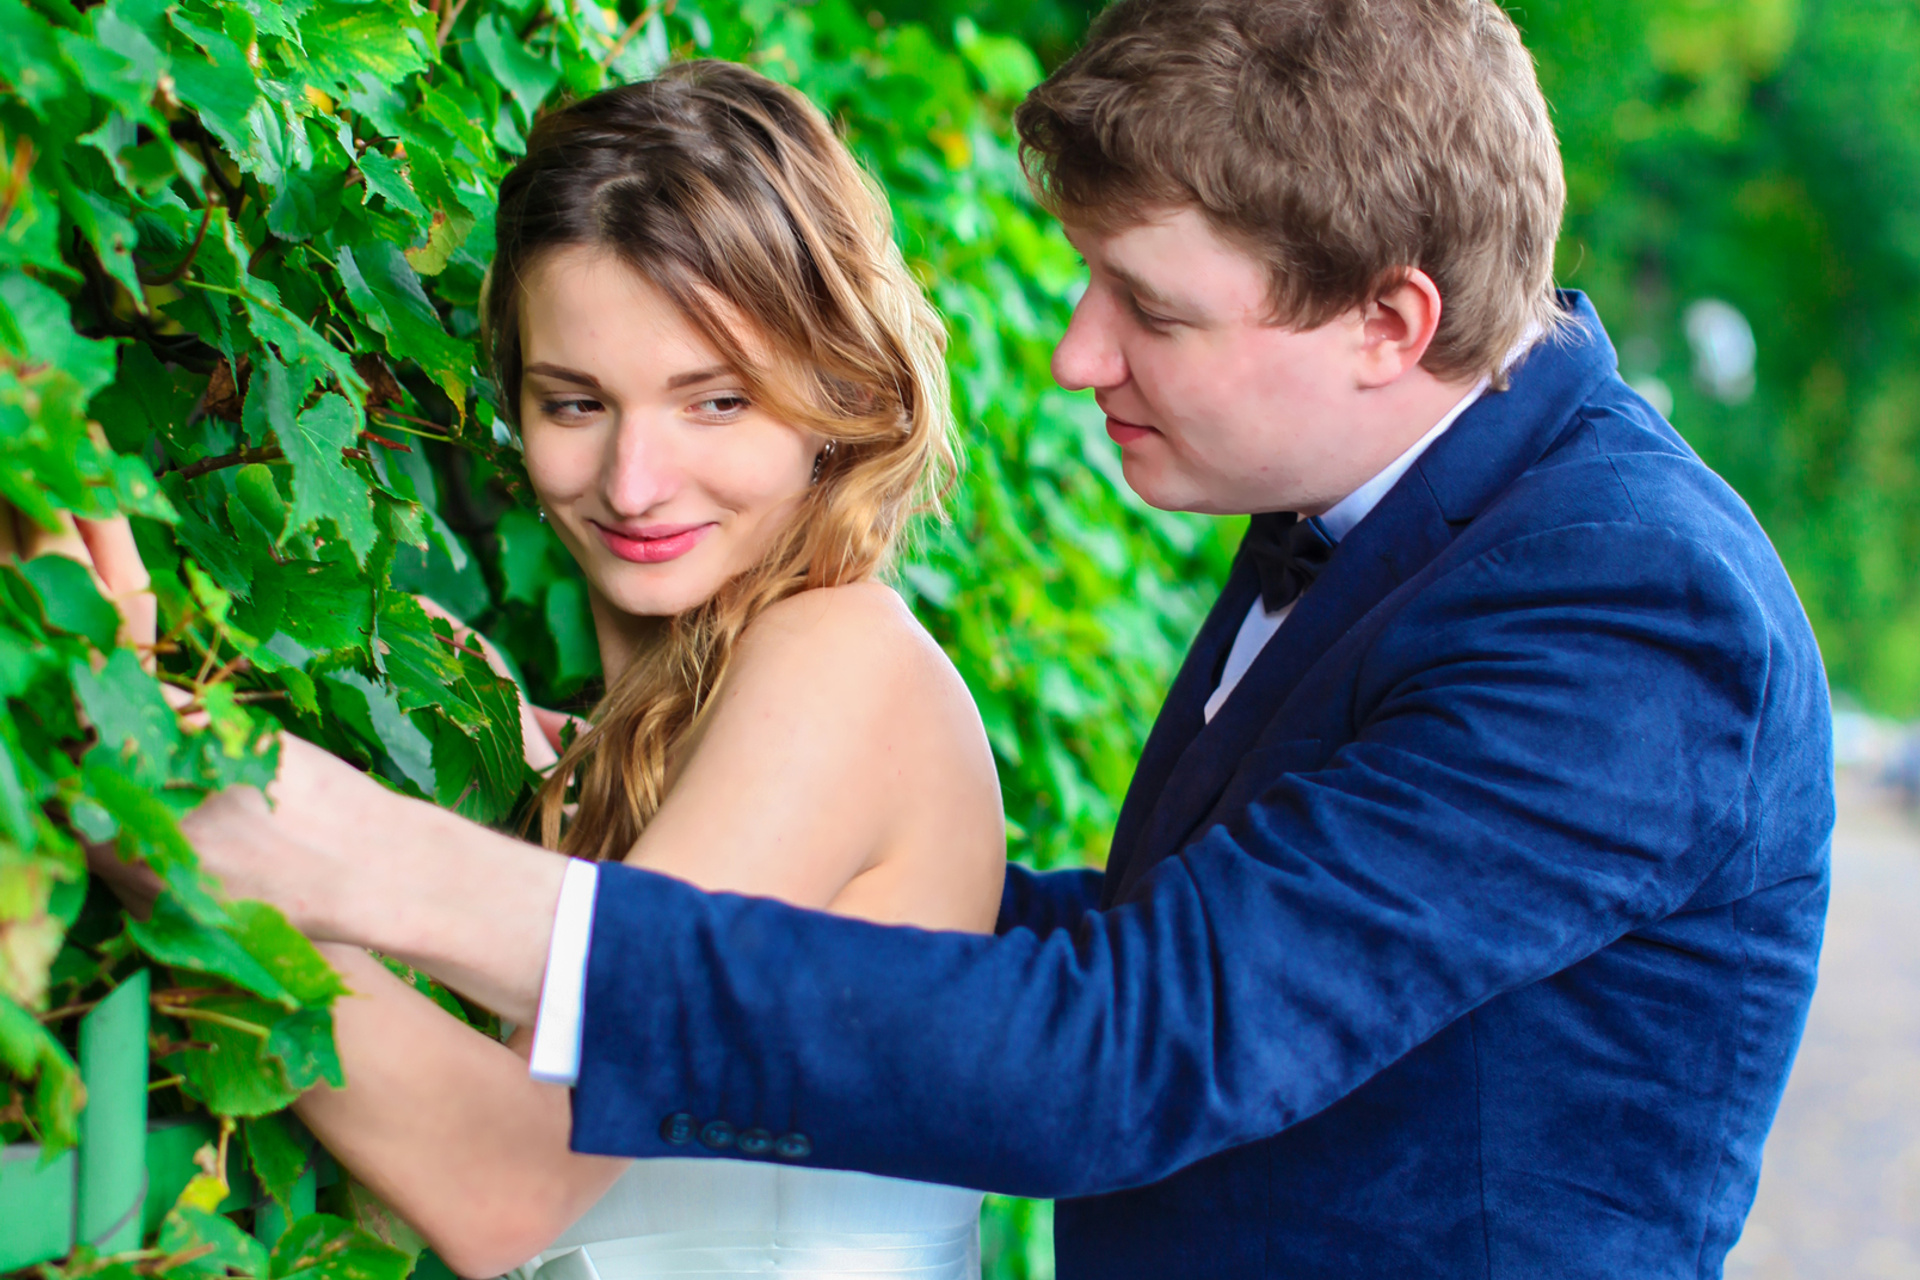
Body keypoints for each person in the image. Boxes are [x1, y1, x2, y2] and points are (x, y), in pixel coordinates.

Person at [93, 1, 1835, 1276]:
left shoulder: (1627, 608)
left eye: (1149, 307)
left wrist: (342, 857)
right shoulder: (1373, 492)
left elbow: (1141, 1045)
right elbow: (1217, 949)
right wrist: (712, 836)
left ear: (1392, 321)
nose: (1078, 355)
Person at [84, 62, 1007, 1279]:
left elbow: (505, 1179)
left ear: (839, 391)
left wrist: (144, 790)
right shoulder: (616, 750)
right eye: (575, 403)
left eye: (715, 401)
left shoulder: (844, 664)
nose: (633, 482)